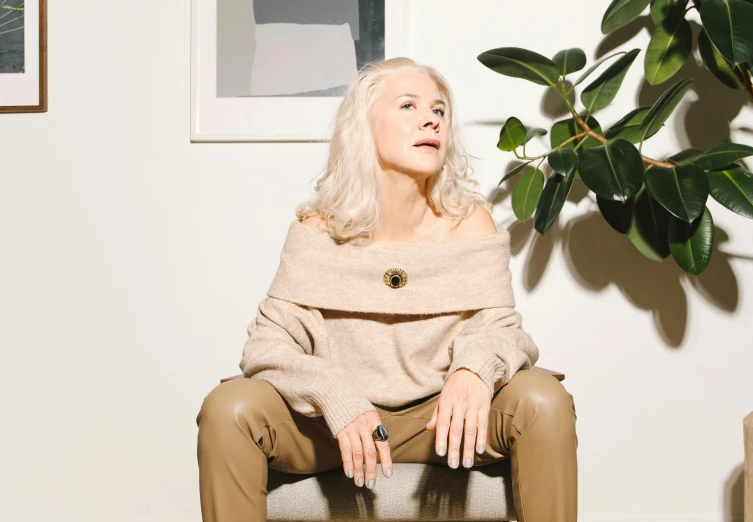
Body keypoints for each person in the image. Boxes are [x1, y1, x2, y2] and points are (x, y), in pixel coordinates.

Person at [196, 57, 577, 522]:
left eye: (439, 110)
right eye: (408, 105)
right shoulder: (320, 229)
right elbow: (267, 346)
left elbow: (502, 331)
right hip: (334, 427)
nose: (431, 119)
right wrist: (334, 394)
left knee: (544, 399)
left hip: (442, 422)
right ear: (364, 126)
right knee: (228, 407)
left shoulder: (470, 223)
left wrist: (474, 370)